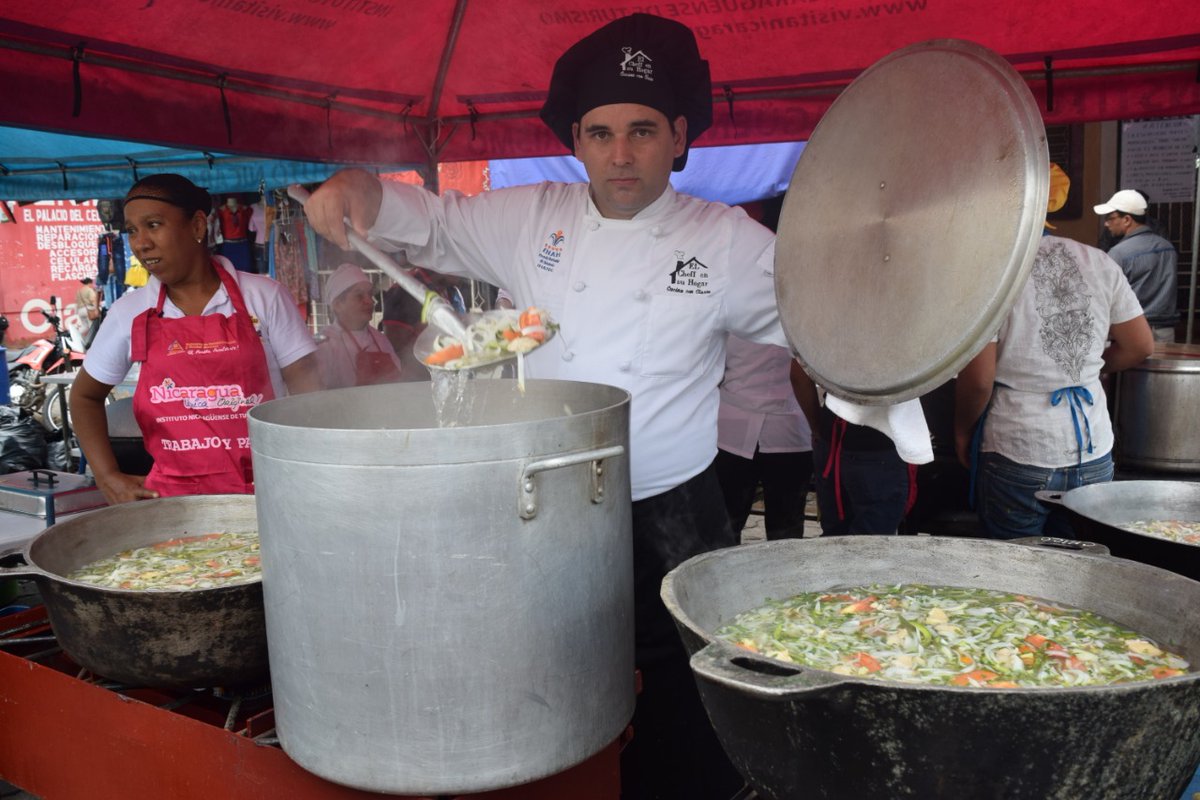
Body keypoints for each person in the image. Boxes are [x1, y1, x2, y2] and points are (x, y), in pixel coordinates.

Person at [303, 14, 785, 798]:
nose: (620, 155)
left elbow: (822, 319)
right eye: (599, 134)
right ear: (578, 139)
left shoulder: (728, 241)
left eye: (641, 131)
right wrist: (357, 190)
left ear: (679, 135)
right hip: (552, 498)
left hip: (677, 508)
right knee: (553, 668)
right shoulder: (532, 217)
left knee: (691, 688)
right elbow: (429, 223)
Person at [70, 173, 321, 505]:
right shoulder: (129, 312)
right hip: (170, 504)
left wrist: (311, 470)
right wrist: (107, 476)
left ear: (198, 226)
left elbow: (310, 394)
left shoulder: (263, 296)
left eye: (154, 225)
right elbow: (84, 397)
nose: (141, 242)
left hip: (268, 495)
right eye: (132, 230)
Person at [955, 165, 1154, 539]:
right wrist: (1083, 371)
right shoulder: (1099, 261)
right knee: (1079, 569)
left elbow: (980, 379)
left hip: (1019, 447)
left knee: (1015, 571)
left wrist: (962, 431)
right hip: (1093, 449)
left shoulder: (992, 273)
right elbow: (1140, 345)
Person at [716, 196, 813, 541]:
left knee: (725, 530)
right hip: (789, 427)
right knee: (786, 532)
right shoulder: (812, 284)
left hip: (736, 426)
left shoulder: (734, 280)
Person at [789, 362, 917, 535]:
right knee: (870, 549)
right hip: (880, 446)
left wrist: (817, 426)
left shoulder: (824, 332)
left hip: (831, 436)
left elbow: (799, 376)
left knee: (834, 539)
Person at [1094, 189, 1179, 342]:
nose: (1107, 224)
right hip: (1165, 330)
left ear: (1127, 219)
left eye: (1110, 218)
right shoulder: (1167, 247)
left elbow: (1105, 297)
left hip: (1133, 331)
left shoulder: (1118, 253)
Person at [316, 262, 404, 389]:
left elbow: (399, 382)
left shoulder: (380, 339)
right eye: (359, 296)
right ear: (338, 304)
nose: (369, 301)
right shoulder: (325, 345)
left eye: (370, 294)